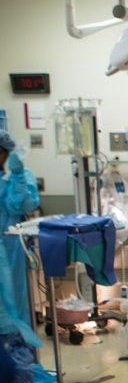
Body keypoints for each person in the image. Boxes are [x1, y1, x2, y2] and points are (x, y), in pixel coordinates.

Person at [0, 132, 47, 383]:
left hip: (9, 255)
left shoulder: (12, 181)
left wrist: (18, 174)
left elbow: (23, 203)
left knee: (11, 318)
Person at [0, 131, 40, 343]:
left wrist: (17, 176)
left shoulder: (19, 177)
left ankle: (16, 351)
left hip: (11, 246)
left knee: (13, 298)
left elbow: (22, 205)